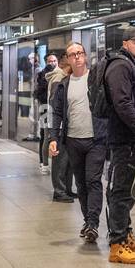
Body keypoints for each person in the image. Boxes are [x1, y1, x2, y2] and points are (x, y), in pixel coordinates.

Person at [101, 23, 135, 264]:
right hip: (126, 140)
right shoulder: (121, 66)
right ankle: (117, 244)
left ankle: (126, 234)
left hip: (132, 139)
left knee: (127, 190)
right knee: (121, 191)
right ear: (125, 43)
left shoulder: (133, 65)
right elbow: (122, 103)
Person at [49, 42, 109, 240]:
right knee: (81, 184)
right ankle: (87, 220)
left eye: (80, 53)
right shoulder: (63, 85)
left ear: (85, 55)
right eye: (72, 54)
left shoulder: (96, 80)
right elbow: (57, 113)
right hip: (73, 140)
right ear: (67, 59)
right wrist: (53, 138)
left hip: (96, 140)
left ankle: (93, 223)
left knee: (93, 181)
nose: (77, 57)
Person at [44, 56, 75, 201]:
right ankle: (59, 191)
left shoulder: (64, 77)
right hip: (59, 123)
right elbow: (55, 103)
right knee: (60, 160)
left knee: (67, 160)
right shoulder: (59, 77)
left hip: (64, 123)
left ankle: (67, 189)